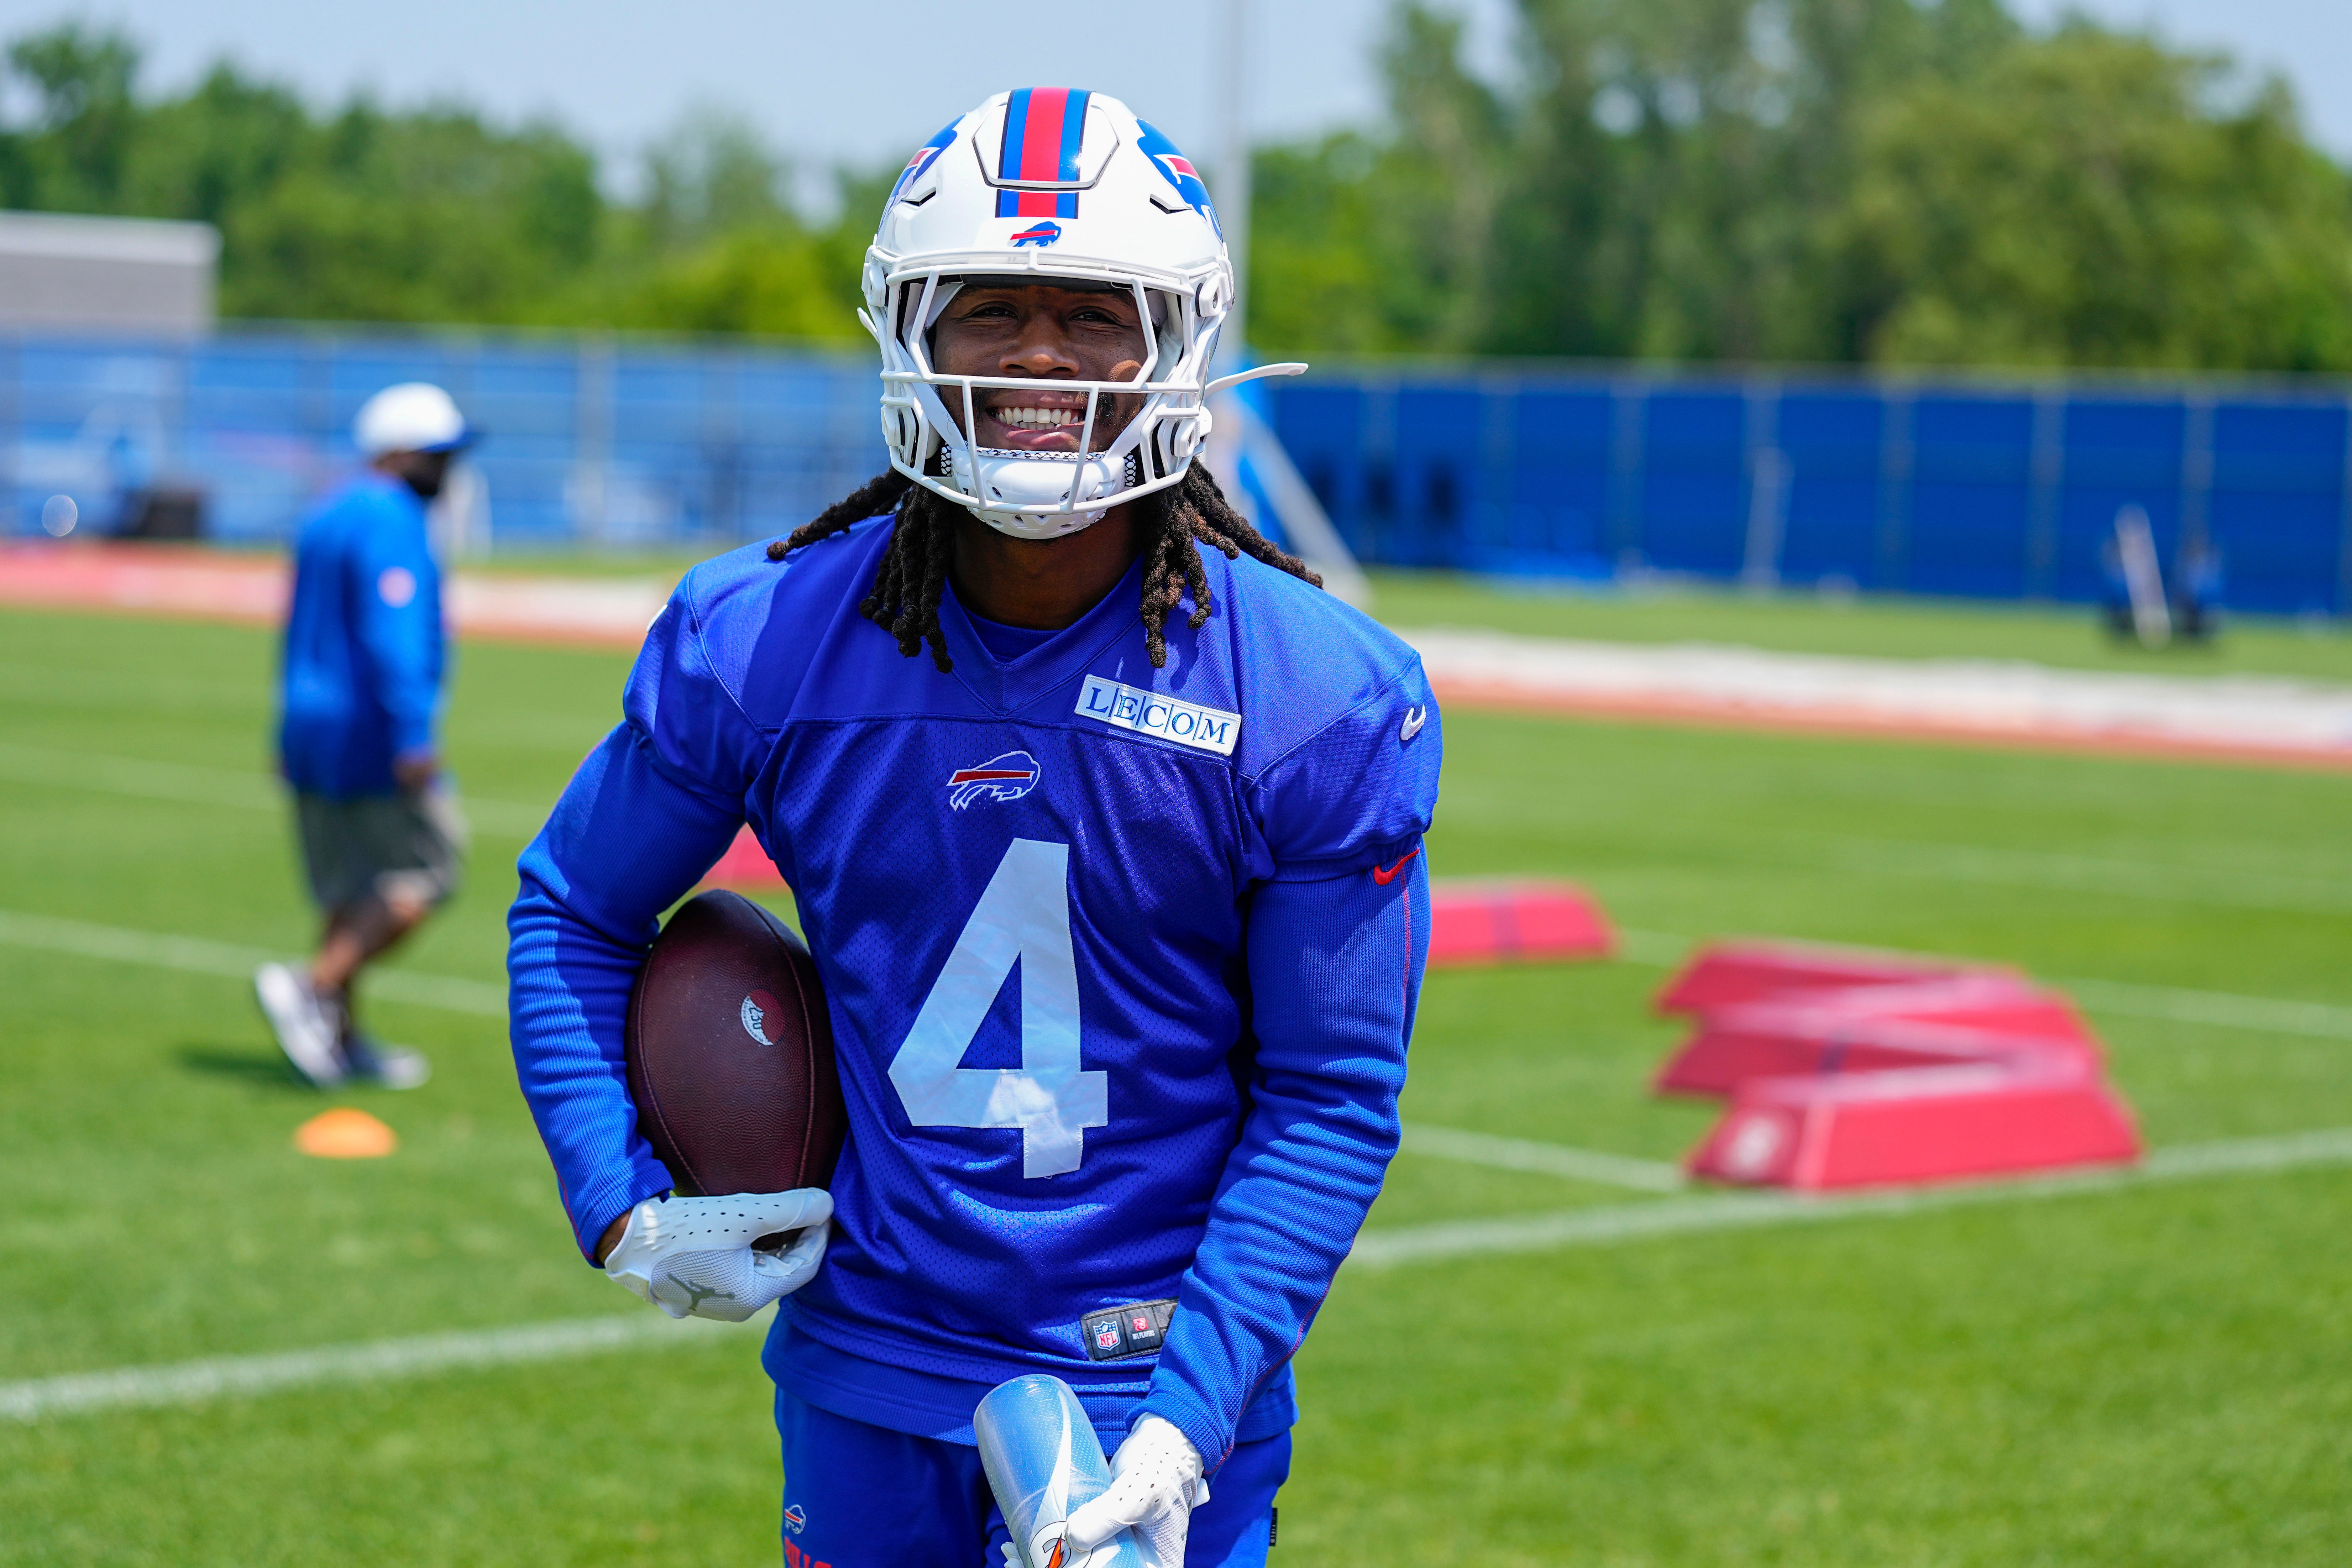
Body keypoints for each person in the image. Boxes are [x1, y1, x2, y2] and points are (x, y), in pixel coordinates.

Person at [508, 89, 1440, 1568]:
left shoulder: (1317, 693)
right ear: (912, 331)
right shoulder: (763, 636)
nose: (1038, 357)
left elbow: (1330, 1093)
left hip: (1156, 1383)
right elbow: (571, 903)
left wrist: (1183, 1415)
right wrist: (614, 1195)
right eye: (988, 309)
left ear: (1173, 345)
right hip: (874, 1359)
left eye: (1094, 314)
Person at [254, 382, 473, 1091]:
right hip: (370, 732)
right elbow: (395, 634)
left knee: (348, 889)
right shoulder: (390, 516)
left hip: (312, 723)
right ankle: (311, 985)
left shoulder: (328, 509)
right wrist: (414, 733)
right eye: (439, 455)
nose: (448, 471)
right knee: (428, 871)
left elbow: (298, 629)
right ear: (402, 452)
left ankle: (341, 1039)